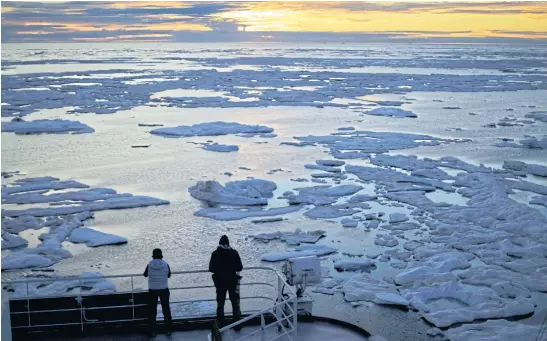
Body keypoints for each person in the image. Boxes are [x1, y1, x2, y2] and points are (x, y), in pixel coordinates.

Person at [209, 235, 243, 326]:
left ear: (219, 244)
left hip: (219, 283)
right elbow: (240, 267)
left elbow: (211, 269)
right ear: (228, 243)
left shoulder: (215, 254)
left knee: (220, 303)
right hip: (232, 282)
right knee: (235, 303)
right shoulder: (234, 253)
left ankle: (220, 323)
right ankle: (237, 323)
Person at [143, 248, 172, 336]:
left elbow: (145, 274)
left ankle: (152, 331)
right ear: (161, 255)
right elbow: (169, 275)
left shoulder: (149, 264)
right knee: (166, 309)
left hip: (152, 290)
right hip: (164, 289)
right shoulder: (166, 264)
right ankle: (168, 330)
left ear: (153, 255)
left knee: (152, 311)